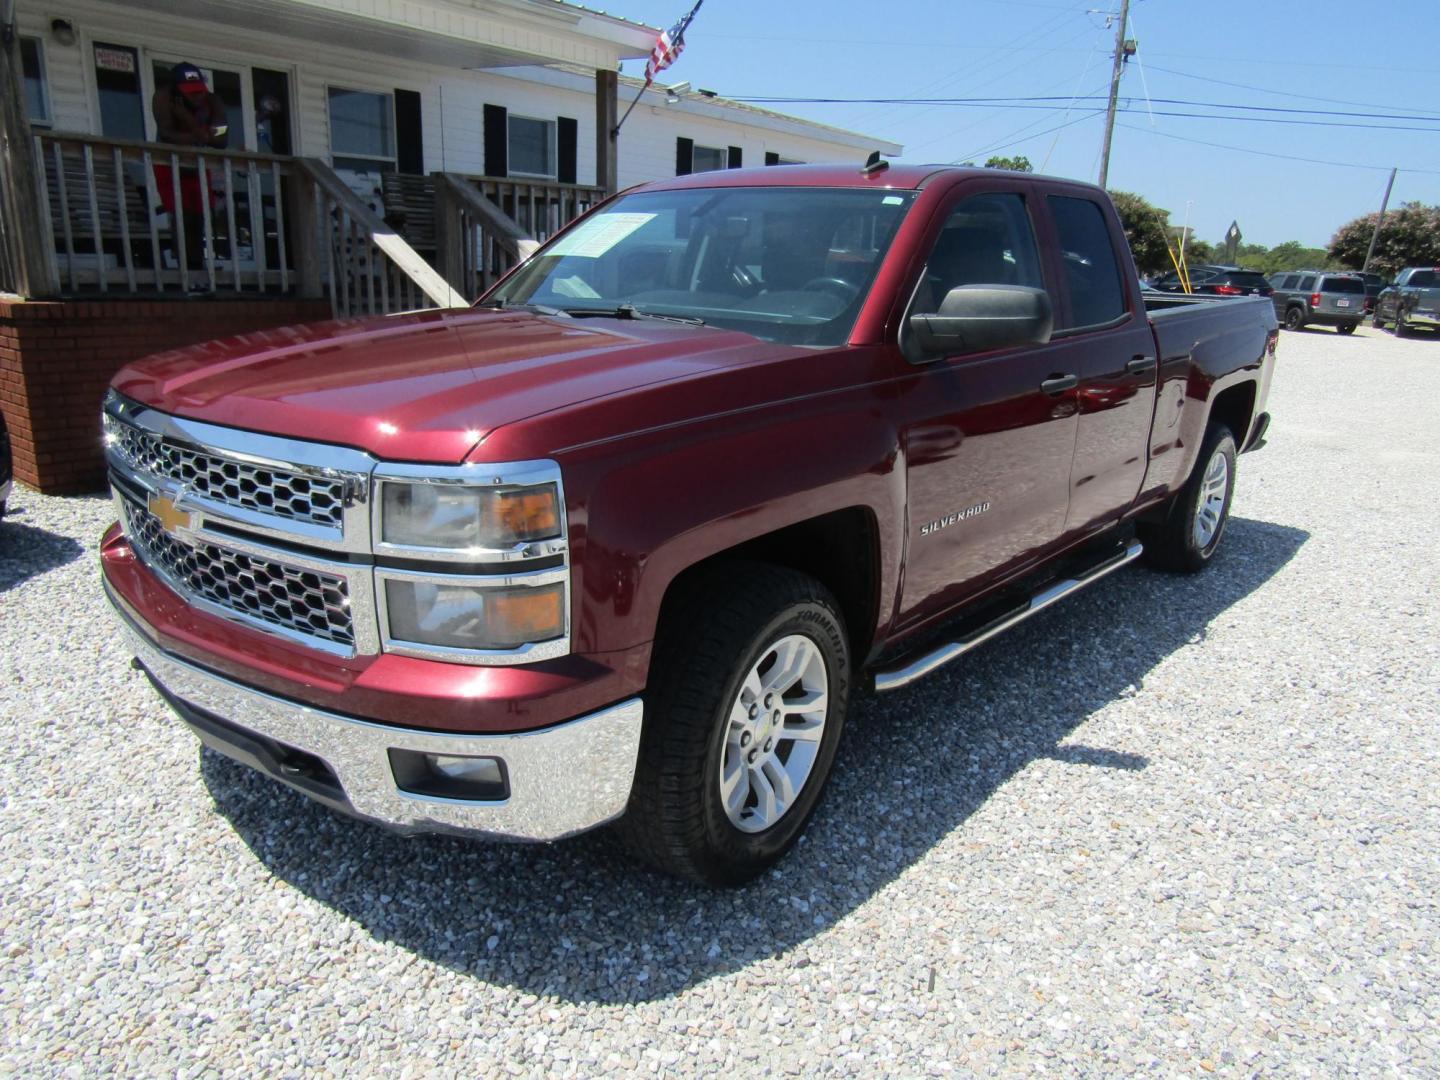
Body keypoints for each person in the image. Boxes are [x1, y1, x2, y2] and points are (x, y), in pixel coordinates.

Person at [151, 63, 229, 280]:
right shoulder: (163, 97)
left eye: (198, 92)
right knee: (181, 215)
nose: (196, 97)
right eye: (190, 93)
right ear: (177, 89)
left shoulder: (214, 101)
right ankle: (186, 269)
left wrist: (186, 118)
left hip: (198, 163)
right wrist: (204, 135)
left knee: (202, 214)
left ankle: (198, 264)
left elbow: (221, 140)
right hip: (169, 165)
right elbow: (167, 134)